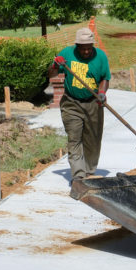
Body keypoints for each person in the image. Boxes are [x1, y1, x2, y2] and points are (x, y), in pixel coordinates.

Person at [48, 27, 111, 182]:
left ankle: (89, 172)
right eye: (83, 49)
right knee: (74, 138)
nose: (86, 52)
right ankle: (78, 176)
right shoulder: (67, 54)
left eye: (89, 48)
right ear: (77, 46)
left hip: (93, 103)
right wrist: (56, 65)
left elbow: (105, 78)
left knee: (93, 139)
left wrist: (102, 93)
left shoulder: (101, 56)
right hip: (71, 103)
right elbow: (51, 74)